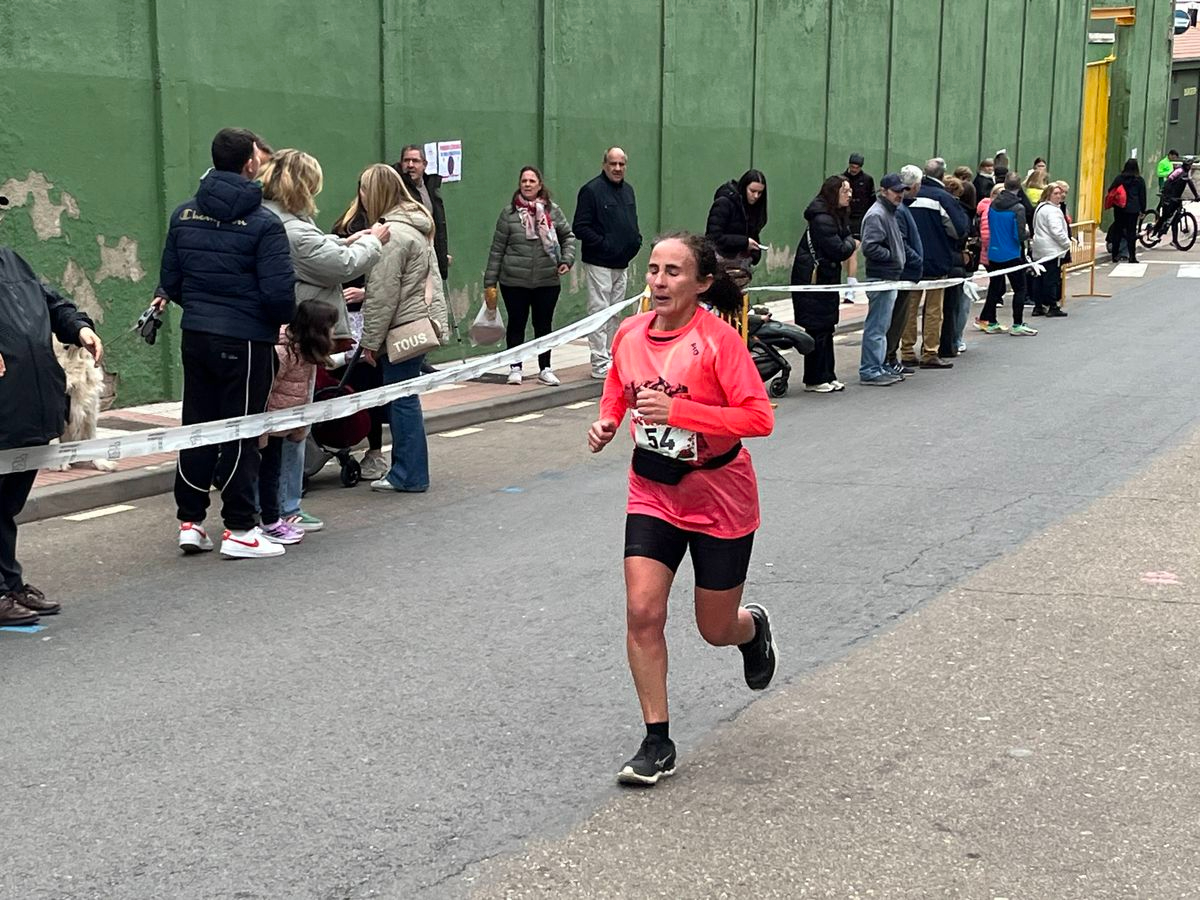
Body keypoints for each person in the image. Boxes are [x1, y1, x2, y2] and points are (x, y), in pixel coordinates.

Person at [586, 231, 776, 786]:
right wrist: (608, 420)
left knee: (714, 628)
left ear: (701, 283)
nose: (660, 281)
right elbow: (618, 386)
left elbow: (758, 418)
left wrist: (680, 413)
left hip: (719, 495)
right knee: (643, 612)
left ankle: (751, 630)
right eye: (654, 270)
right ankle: (657, 741)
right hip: (654, 489)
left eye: (673, 272)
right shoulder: (630, 333)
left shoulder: (719, 343)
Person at [159, 127, 296, 560]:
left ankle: (191, 522)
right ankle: (240, 528)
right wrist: (262, 318)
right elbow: (279, 297)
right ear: (250, 164)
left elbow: (171, 282)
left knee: (197, 427)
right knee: (243, 431)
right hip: (247, 341)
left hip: (196, 334)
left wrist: (204, 308)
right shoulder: (265, 224)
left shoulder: (183, 215)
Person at [259, 148, 388, 521]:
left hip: (283, 333)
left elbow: (318, 252)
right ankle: (285, 508)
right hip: (297, 336)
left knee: (283, 421)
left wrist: (346, 240)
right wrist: (372, 242)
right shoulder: (292, 229)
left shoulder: (276, 219)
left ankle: (279, 506)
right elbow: (339, 267)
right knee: (292, 423)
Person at [0, 202, 103, 623]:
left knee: (5, 506)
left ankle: (9, 584)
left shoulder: (12, 261)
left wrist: (79, 327)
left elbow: (51, 302)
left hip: (29, 405)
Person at [357, 164, 449, 493]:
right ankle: (409, 471)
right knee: (406, 398)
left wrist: (369, 342)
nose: (361, 197)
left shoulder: (391, 236)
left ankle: (408, 474)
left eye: (364, 190)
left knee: (401, 400)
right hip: (418, 323)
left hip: (402, 329)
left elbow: (382, 295)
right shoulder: (415, 226)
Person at [484, 166, 576, 386]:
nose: (527, 184)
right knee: (517, 324)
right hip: (514, 281)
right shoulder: (509, 214)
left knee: (543, 325)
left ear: (539, 185)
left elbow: (568, 237)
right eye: (524, 181)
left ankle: (545, 368)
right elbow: (497, 249)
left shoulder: (553, 211)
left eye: (532, 181)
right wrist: (490, 282)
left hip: (547, 280)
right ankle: (515, 368)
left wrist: (566, 260)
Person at [257, 300, 338, 544]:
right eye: (331, 326)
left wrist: (300, 427)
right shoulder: (283, 353)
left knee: (273, 470)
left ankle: (273, 514)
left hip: (284, 426)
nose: (334, 331)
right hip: (270, 426)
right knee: (268, 472)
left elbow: (304, 393)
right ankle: (270, 519)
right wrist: (262, 431)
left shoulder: (306, 354)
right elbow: (265, 390)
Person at [332, 177, 389, 482]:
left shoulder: (389, 226)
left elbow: (393, 277)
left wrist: (366, 294)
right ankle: (339, 444)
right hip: (345, 319)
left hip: (373, 318)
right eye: (363, 188)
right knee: (343, 383)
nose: (366, 194)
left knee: (372, 386)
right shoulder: (346, 224)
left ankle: (375, 451)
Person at [573, 147, 642, 379]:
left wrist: (635, 241)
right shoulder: (591, 191)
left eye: (621, 164)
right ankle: (599, 362)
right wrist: (604, 245)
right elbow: (580, 227)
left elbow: (631, 222)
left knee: (615, 313)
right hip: (599, 263)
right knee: (599, 312)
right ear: (604, 165)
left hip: (622, 263)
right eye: (613, 163)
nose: (617, 168)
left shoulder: (628, 191)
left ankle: (612, 357)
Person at [791, 175, 856, 392]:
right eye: (845, 191)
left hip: (825, 279)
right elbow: (840, 249)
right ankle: (814, 379)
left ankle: (828, 374)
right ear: (833, 193)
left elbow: (845, 240)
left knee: (827, 328)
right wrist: (851, 242)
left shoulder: (835, 215)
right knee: (817, 329)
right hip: (813, 281)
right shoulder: (822, 219)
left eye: (850, 191)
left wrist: (848, 240)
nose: (849, 195)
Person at [901, 158, 968, 369]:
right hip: (936, 259)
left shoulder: (905, 196)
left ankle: (907, 351)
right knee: (933, 310)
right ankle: (930, 351)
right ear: (943, 174)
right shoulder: (942, 198)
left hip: (909, 260)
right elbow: (958, 229)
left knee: (909, 308)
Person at [858, 173, 908, 386]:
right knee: (877, 327)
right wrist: (892, 256)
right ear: (883, 191)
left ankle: (878, 366)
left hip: (888, 276)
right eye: (896, 191)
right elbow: (870, 246)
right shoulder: (877, 214)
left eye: (902, 190)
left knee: (882, 326)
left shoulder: (888, 212)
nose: (900, 194)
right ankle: (870, 369)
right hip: (881, 277)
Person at [977, 172, 1037, 336]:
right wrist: (1027, 233)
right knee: (1020, 289)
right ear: (1019, 186)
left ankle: (991, 321)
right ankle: (1017, 324)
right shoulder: (1018, 208)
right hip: (1011, 254)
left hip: (994, 253)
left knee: (995, 287)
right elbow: (1019, 235)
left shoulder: (993, 205)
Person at [886, 165, 924, 374]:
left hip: (906, 271)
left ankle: (891, 357)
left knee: (900, 318)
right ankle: (889, 358)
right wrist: (917, 259)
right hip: (903, 272)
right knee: (896, 318)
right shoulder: (900, 211)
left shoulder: (902, 209)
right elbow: (901, 243)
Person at [705, 168, 768, 286]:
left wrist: (754, 253)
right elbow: (713, 237)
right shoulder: (724, 203)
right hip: (720, 267)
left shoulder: (753, 209)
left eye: (760, 193)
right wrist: (744, 242)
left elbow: (753, 234)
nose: (756, 196)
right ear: (744, 187)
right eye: (752, 191)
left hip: (740, 269)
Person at [396, 145, 450, 281]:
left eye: (415, 161)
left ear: (424, 164)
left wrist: (442, 256)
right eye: (406, 160)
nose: (410, 165)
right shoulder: (397, 189)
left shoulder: (430, 186)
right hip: (409, 259)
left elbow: (437, 225)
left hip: (430, 256)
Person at [1030, 182, 1071, 318]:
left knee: (1039, 278)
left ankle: (1038, 306)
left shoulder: (1040, 208)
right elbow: (1056, 230)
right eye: (1055, 193)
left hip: (1039, 248)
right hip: (1051, 250)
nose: (1059, 196)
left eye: (1060, 193)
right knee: (1051, 278)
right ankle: (1052, 306)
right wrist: (1066, 243)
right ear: (1048, 195)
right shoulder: (1053, 211)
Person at [843, 153, 875, 295]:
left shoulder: (867, 180)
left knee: (852, 249)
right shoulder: (842, 179)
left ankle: (851, 283)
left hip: (860, 220)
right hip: (845, 218)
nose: (854, 169)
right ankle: (850, 280)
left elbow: (872, 201)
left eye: (857, 167)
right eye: (852, 166)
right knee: (846, 252)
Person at [1107, 158, 1147, 264]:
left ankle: (1114, 256)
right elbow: (1142, 196)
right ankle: (1132, 257)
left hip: (1119, 208)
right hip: (1133, 209)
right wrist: (1143, 210)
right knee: (1131, 233)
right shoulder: (1139, 180)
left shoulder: (1119, 178)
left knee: (1118, 231)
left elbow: (1110, 190)